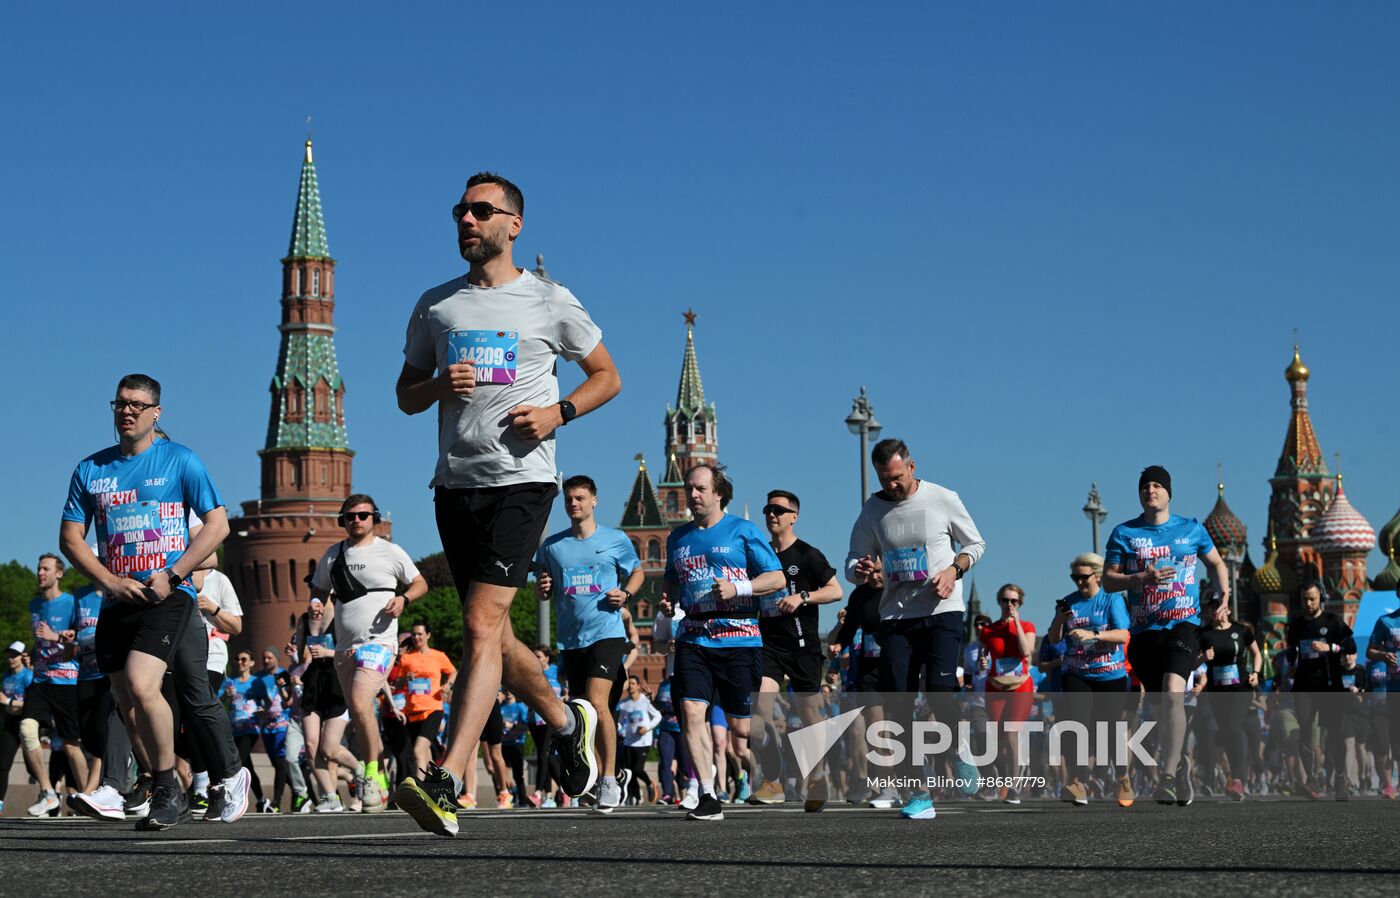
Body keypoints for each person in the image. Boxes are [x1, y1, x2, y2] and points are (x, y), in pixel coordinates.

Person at [394, 170, 620, 837]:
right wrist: (438, 384)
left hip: (522, 482)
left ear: (513, 224)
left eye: (481, 211)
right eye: (461, 210)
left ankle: (445, 779)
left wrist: (559, 413)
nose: (467, 220)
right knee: (490, 630)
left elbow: (607, 374)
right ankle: (563, 718)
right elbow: (404, 395)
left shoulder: (549, 300)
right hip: (454, 484)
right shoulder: (437, 306)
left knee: (479, 623)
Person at [58, 375, 232, 829]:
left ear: (157, 413)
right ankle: (159, 780)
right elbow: (70, 540)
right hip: (117, 599)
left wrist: (173, 575)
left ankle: (171, 787)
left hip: (168, 596)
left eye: (137, 404)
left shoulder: (180, 460)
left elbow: (217, 527)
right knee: (125, 701)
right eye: (120, 403)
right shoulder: (90, 469)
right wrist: (109, 581)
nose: (127, 411)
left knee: (141, 683)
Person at [845, 439, 986, 821]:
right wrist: (859, 568)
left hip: (942, 610)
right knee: (899, 705)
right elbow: (853, 558)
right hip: (897, 617)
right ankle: (917, 791)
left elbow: (975, 543)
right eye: (883, 480)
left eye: (896, 477)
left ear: (911, 465)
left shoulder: (942, 498)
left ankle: (958, 749)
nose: (891, 486)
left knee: (940, 694)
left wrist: (953, 570)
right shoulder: (873, 509)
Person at [658, 463, 785, 821]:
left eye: (700, 489)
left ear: (718, 493)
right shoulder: (677, 538)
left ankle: (773, 761)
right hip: (694, 637)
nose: (693, 495)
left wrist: (739, 587)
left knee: (741, 727)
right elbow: (671, 580)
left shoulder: (742, 531)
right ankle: (707, 794)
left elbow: (775, 579)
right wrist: (668, 600)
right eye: (689, 489)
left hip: (739, 638)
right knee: (690, 711)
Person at [1102, 465, 1230, 806]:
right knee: (1161, 709)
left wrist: (1224, 597)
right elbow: (1108, 581)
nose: (1151, 490)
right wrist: (1140, 579)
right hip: (1144, 631)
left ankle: (1168, 776)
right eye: (1145, 486)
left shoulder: (1191, 529)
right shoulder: (1124, 533)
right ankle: (1180, 762)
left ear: (1169, 493)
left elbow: (1216, 563)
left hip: (1183, 623)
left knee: (1174, 694)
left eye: (1158, 485)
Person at [310, 493, 428, 812]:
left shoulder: (389, 551)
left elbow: (420, 583)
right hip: (345, 647)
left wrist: (404, 599)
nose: (357, 521)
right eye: (350, 516)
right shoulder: (333, 555)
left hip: (380, 642)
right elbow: (319, 589)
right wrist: (316, 603)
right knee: (360, 712)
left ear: (374, 517)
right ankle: (379, 778)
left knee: (362, 702)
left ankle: (372, 775)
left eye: (363, 515)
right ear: (343, 521)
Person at [535, 474, 645, 813]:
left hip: (608, 635)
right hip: (571, 640)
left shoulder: (615, 539)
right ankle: (602, 775)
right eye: (569, 498)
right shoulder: (552, 547)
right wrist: (544, 587)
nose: (573, 503)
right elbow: (545, 580)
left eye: (580, 498)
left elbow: (637, 572)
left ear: (594, 500)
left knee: (597, 704)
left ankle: (609, 779)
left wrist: (626, 592)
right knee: (586, 717)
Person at [753, 490, 842, 810]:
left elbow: (836, 591)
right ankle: (772, 777)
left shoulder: (807, 555)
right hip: (769, 645)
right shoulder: (759, 555)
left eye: (779, 509)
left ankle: (818, 777)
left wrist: (802, 597)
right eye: (768, 509)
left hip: (803, 645)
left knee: (810, 717)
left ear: (794, 516)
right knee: (759, 713)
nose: (772, 514)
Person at [1046, 553, 1131, 807]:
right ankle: (1078, 781)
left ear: (1097, 576)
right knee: (1077, 726)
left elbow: (1123, 635)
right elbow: (1053, 640)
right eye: (1075, 577)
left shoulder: (1111, 599)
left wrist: (1093, 634)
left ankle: (1123, 777)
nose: (1079, 582)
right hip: (1077, 672)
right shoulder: (1069, 602)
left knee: (1110, 731)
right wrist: (1059, 620)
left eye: (1084, 577)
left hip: (1109, 674)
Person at [20, 554, 86, 816]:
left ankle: (87, 797)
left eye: (45, 568)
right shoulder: (34, 605)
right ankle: (48, 792)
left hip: (66, 680)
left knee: (71, 744)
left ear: (59, 573)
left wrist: (56, 636)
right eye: (38, 568)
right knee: (27, 728)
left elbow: (76, 648)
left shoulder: (71, 603)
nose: (40, 573)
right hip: (40, 679)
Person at [828, 557, 891, 806]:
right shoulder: (860, 596)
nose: (875, 577)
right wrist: (838, 644)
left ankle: (910, 779)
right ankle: (880, 785)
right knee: (874, 728)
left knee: (894, 729)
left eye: (879, 572)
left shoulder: (899, 592)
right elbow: (849, 626)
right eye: (871, 572)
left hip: (895, 667)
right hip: (866, 671)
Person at [1285, 581, 1353, 799]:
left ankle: (1340, 779)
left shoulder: (1333, 622)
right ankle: (1311, 780)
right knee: (1305, 730)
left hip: (1329, 684)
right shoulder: (1295, 625)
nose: (1308, 603)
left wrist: (1329, 648)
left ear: (1321, 597)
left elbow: (1350, 647)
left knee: (1334, 733)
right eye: (1305, 598)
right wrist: (1292, 664)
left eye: (1312, 598)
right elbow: (1290, 649)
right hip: (1304, 686)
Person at [292, 597, 352, 812]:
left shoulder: (341, 614)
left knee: (330, 748)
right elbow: (301, 657)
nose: (315, 603)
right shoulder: (304, 619)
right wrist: (297, 650)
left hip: (336, 683)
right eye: (313, 597)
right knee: (310, 744)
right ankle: (330, 797)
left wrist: (327, 652)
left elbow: (352, 651)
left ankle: (361, 772)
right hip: (313, 683)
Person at [1199, 597, 1261, 801]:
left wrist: (1256, 673)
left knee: (1234, 728)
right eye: (1210, 609)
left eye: (1216, 608)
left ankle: (1238, 780)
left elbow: (1256, 654)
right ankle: (1235, 778)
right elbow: (1191, 662)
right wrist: (1202, 658)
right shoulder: (1204, 634)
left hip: (1241, 688)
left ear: (1226, 609)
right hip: (1217, 691)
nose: (1213, 612)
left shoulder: (1241, 630)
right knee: (1227, 733)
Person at [979, 584, 1036, 805]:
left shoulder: (1028, 626)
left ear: (1020, 603)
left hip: (1020, 686)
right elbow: (981, 659)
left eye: (1013, 601)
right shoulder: (987, 630)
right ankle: (1008, 775)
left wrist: (1016, 623)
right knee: (998, 739)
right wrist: (982, 661)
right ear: (999, 602)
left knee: (1012, 732)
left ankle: (1013, 786)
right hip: (995, 685)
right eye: (1005, 600)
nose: (1009, 604)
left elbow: (1026, 651)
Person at [387, 621, 457, 799]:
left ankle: (418, 793)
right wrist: (405, 679)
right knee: (425, 754)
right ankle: (435, 789)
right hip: (412, 711)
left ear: (428, 635)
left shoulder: (438, 656)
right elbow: (398, 683)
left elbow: (453, 672)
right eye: (414, 634)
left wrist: (447, 685)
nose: (416, 637)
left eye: (420, 634)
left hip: (433, 708)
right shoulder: (406, 658)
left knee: (418, 750)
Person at [615, 675, 662, 804]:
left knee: (637, 769)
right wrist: (621, 731)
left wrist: (647, 728)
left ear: (638, 686)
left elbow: (657, 716)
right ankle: (635, 796)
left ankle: (649, 783)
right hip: (629, 741)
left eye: (633, 683)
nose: (630, 686)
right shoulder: (624, 704)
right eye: (629, 683)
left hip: (643, 741)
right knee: (630, 772)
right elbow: (620, 722)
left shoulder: (645, 701)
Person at [0, 642, 34, 816]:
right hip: (10, 723)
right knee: (2, 765)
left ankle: (50, 796)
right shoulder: (5, 676)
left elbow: (31, 704)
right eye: (9, 655)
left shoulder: (28, 676)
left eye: (15, 655)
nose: (11, 658)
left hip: (26, 722)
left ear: (23, 656)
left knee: (32, 767)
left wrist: (8, 702)